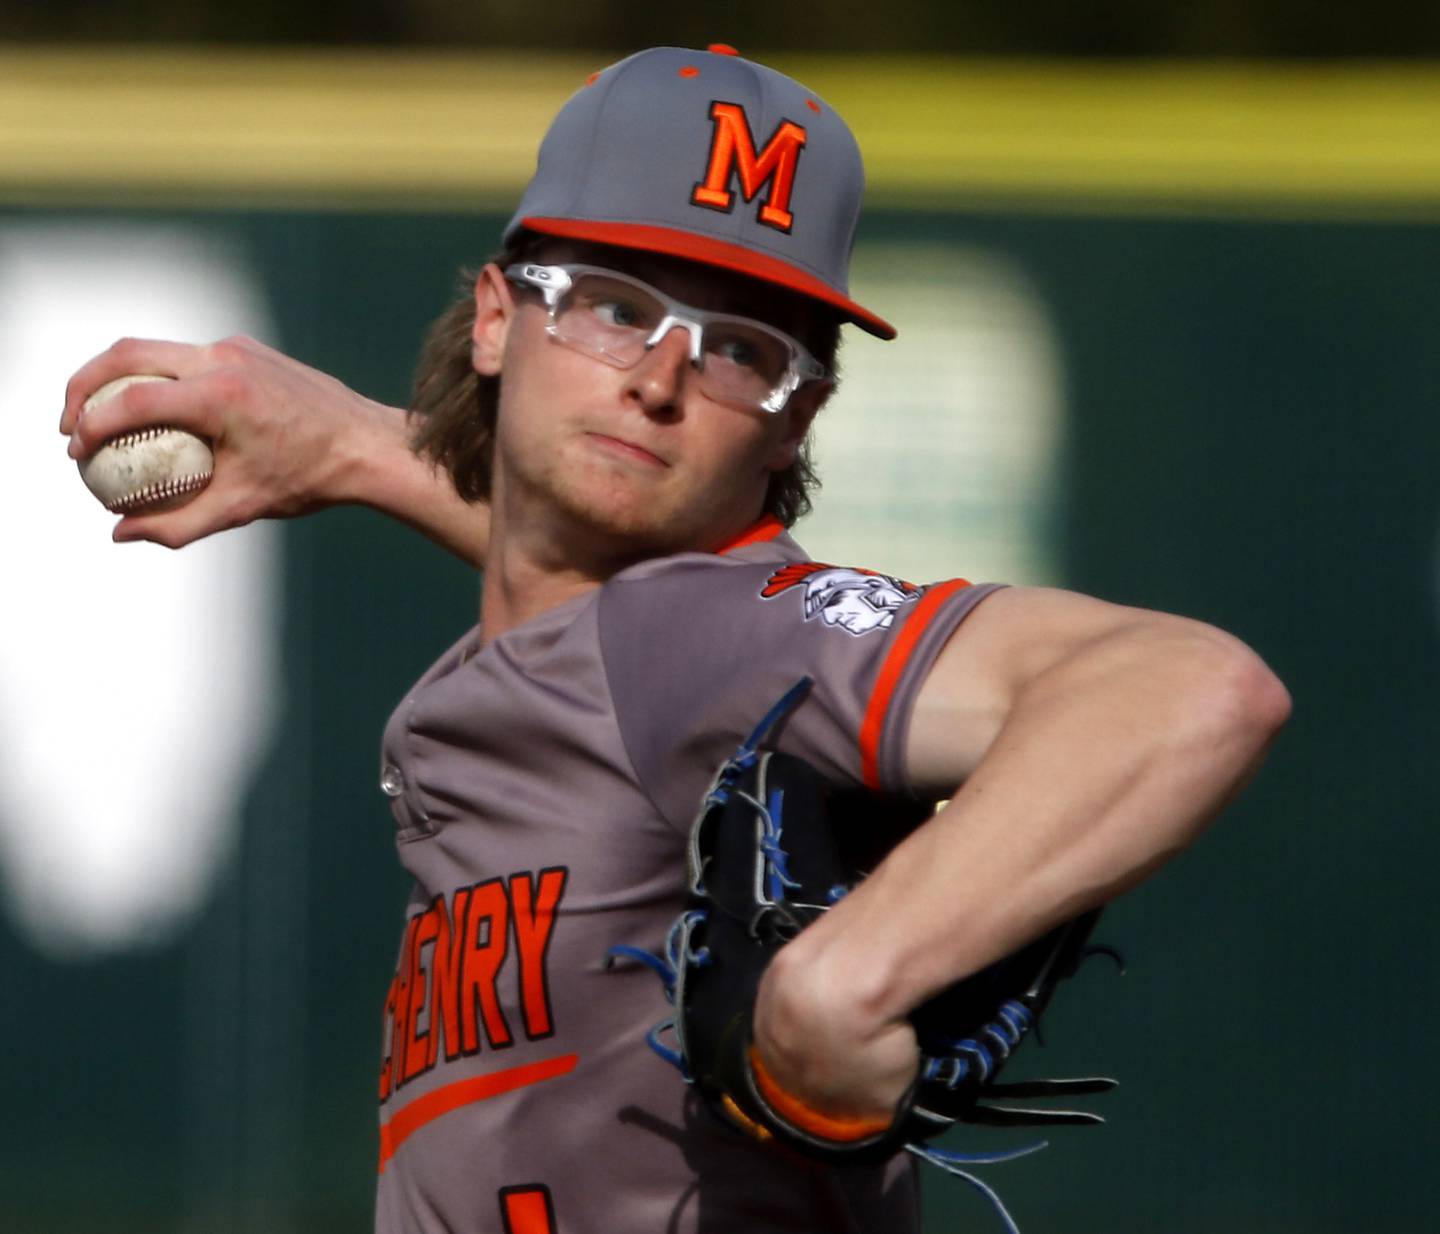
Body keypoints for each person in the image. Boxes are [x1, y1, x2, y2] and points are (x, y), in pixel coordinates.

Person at [61, 45, 1290, 1234]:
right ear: (497, 318)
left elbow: (1192, 688)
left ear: (795, 418)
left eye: (740, 350)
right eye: (613, 306)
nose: (659, 379)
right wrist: (360, 450)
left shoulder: (698, 634)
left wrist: (851, 973)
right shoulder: (588, 641)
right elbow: (565, 575)